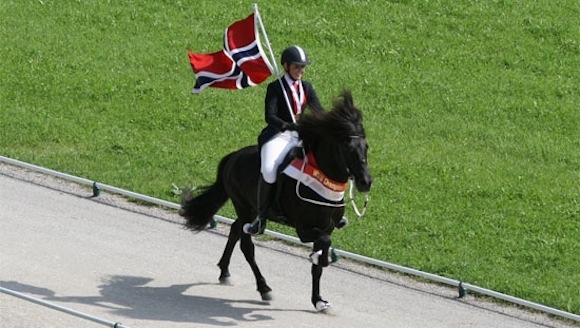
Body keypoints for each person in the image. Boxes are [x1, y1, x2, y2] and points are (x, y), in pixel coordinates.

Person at [243, 45, 325, 235]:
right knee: (270, 170)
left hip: (300, 136)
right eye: (297, 67)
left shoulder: (307, 87)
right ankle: (261, 218)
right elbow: (269, 116)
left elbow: (319, 111)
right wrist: (288, 126)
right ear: (286, 66)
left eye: (303, 67)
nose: (301, 71)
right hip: (278, 135)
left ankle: (331, 210)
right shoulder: (275, 87)